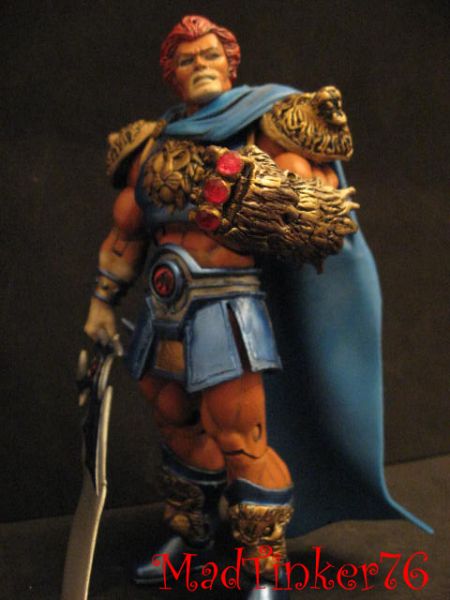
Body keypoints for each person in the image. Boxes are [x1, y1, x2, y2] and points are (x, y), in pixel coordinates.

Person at [83, 15, 428, 598]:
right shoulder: (152, 146)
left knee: (240, 438)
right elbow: (125, 235)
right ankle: (190, 536)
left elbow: (320, 206)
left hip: (226, 310)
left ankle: (262, 564)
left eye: (210, 54)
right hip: (163, 309)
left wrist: (293, 197)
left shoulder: (264, 127)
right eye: (187, 59)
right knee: (174, 422)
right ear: (172, 73)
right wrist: (101, 305)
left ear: (230, 62)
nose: (201, 65)